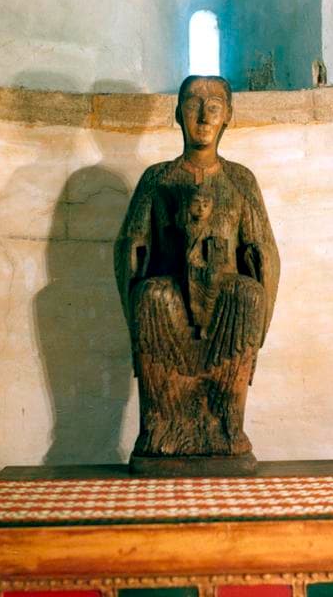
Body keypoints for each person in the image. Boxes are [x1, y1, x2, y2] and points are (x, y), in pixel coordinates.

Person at [114, 75, 280, 462]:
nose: (203, 117)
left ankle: (226, 426)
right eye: (193, 105)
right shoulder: (157, 178)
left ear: (228, 117)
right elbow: (130, 243)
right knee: (151, 295)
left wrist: (258, 271)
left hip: (226, 302)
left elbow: (262, 248)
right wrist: (135, 256)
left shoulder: (240, 179)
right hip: (168, 298)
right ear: (178, 114)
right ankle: (161, 428)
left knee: (247, 294)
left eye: (214, 108)